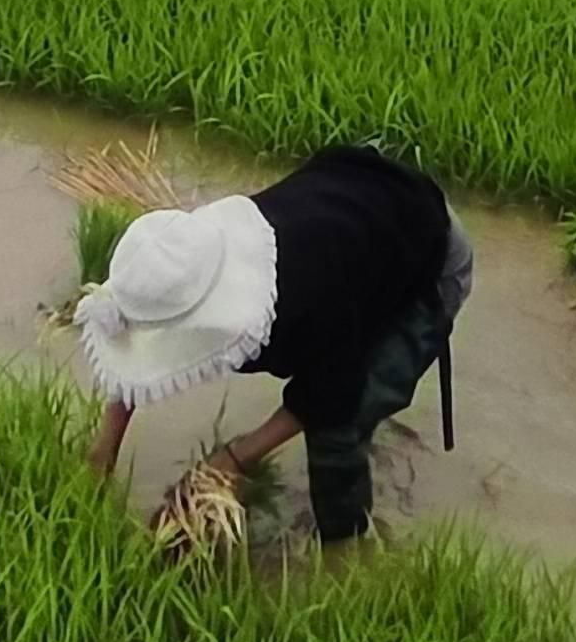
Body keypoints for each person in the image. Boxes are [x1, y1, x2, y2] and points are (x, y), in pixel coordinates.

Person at [81, 144, 473, 546]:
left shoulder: (303, 303)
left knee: (341, 424)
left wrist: (229, 462)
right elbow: (136, 344)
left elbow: (325, 395)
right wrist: (103, 451)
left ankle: (346, 547)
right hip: (355, 206)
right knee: (341, 344)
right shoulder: (179, 259)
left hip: (427, 243)